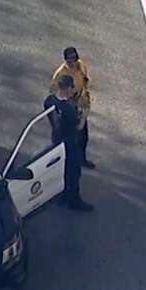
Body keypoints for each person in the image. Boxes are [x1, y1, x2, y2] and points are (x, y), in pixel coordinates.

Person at [44, 75, 94, 212]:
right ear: (68, 88)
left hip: (57, 139)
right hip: (70, 142)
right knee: (74, 171)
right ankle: (74, 199)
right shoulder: (70, 109)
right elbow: (79, 126)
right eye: (72, 87)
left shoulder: (49, 101)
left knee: (62, 168)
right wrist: (84, 114)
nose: (73, 90)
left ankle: (63, 194)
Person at [50, 47, 95, 169]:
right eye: (70, 61)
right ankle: (61, 163)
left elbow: (85, 81)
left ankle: (81, 159)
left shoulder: (81, 66)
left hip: (80, 105)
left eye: (74, 60)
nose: (73, 64)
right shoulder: (61, 74)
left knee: (83, 136)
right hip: (68, 108)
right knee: (65, 138)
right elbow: (53, 92)